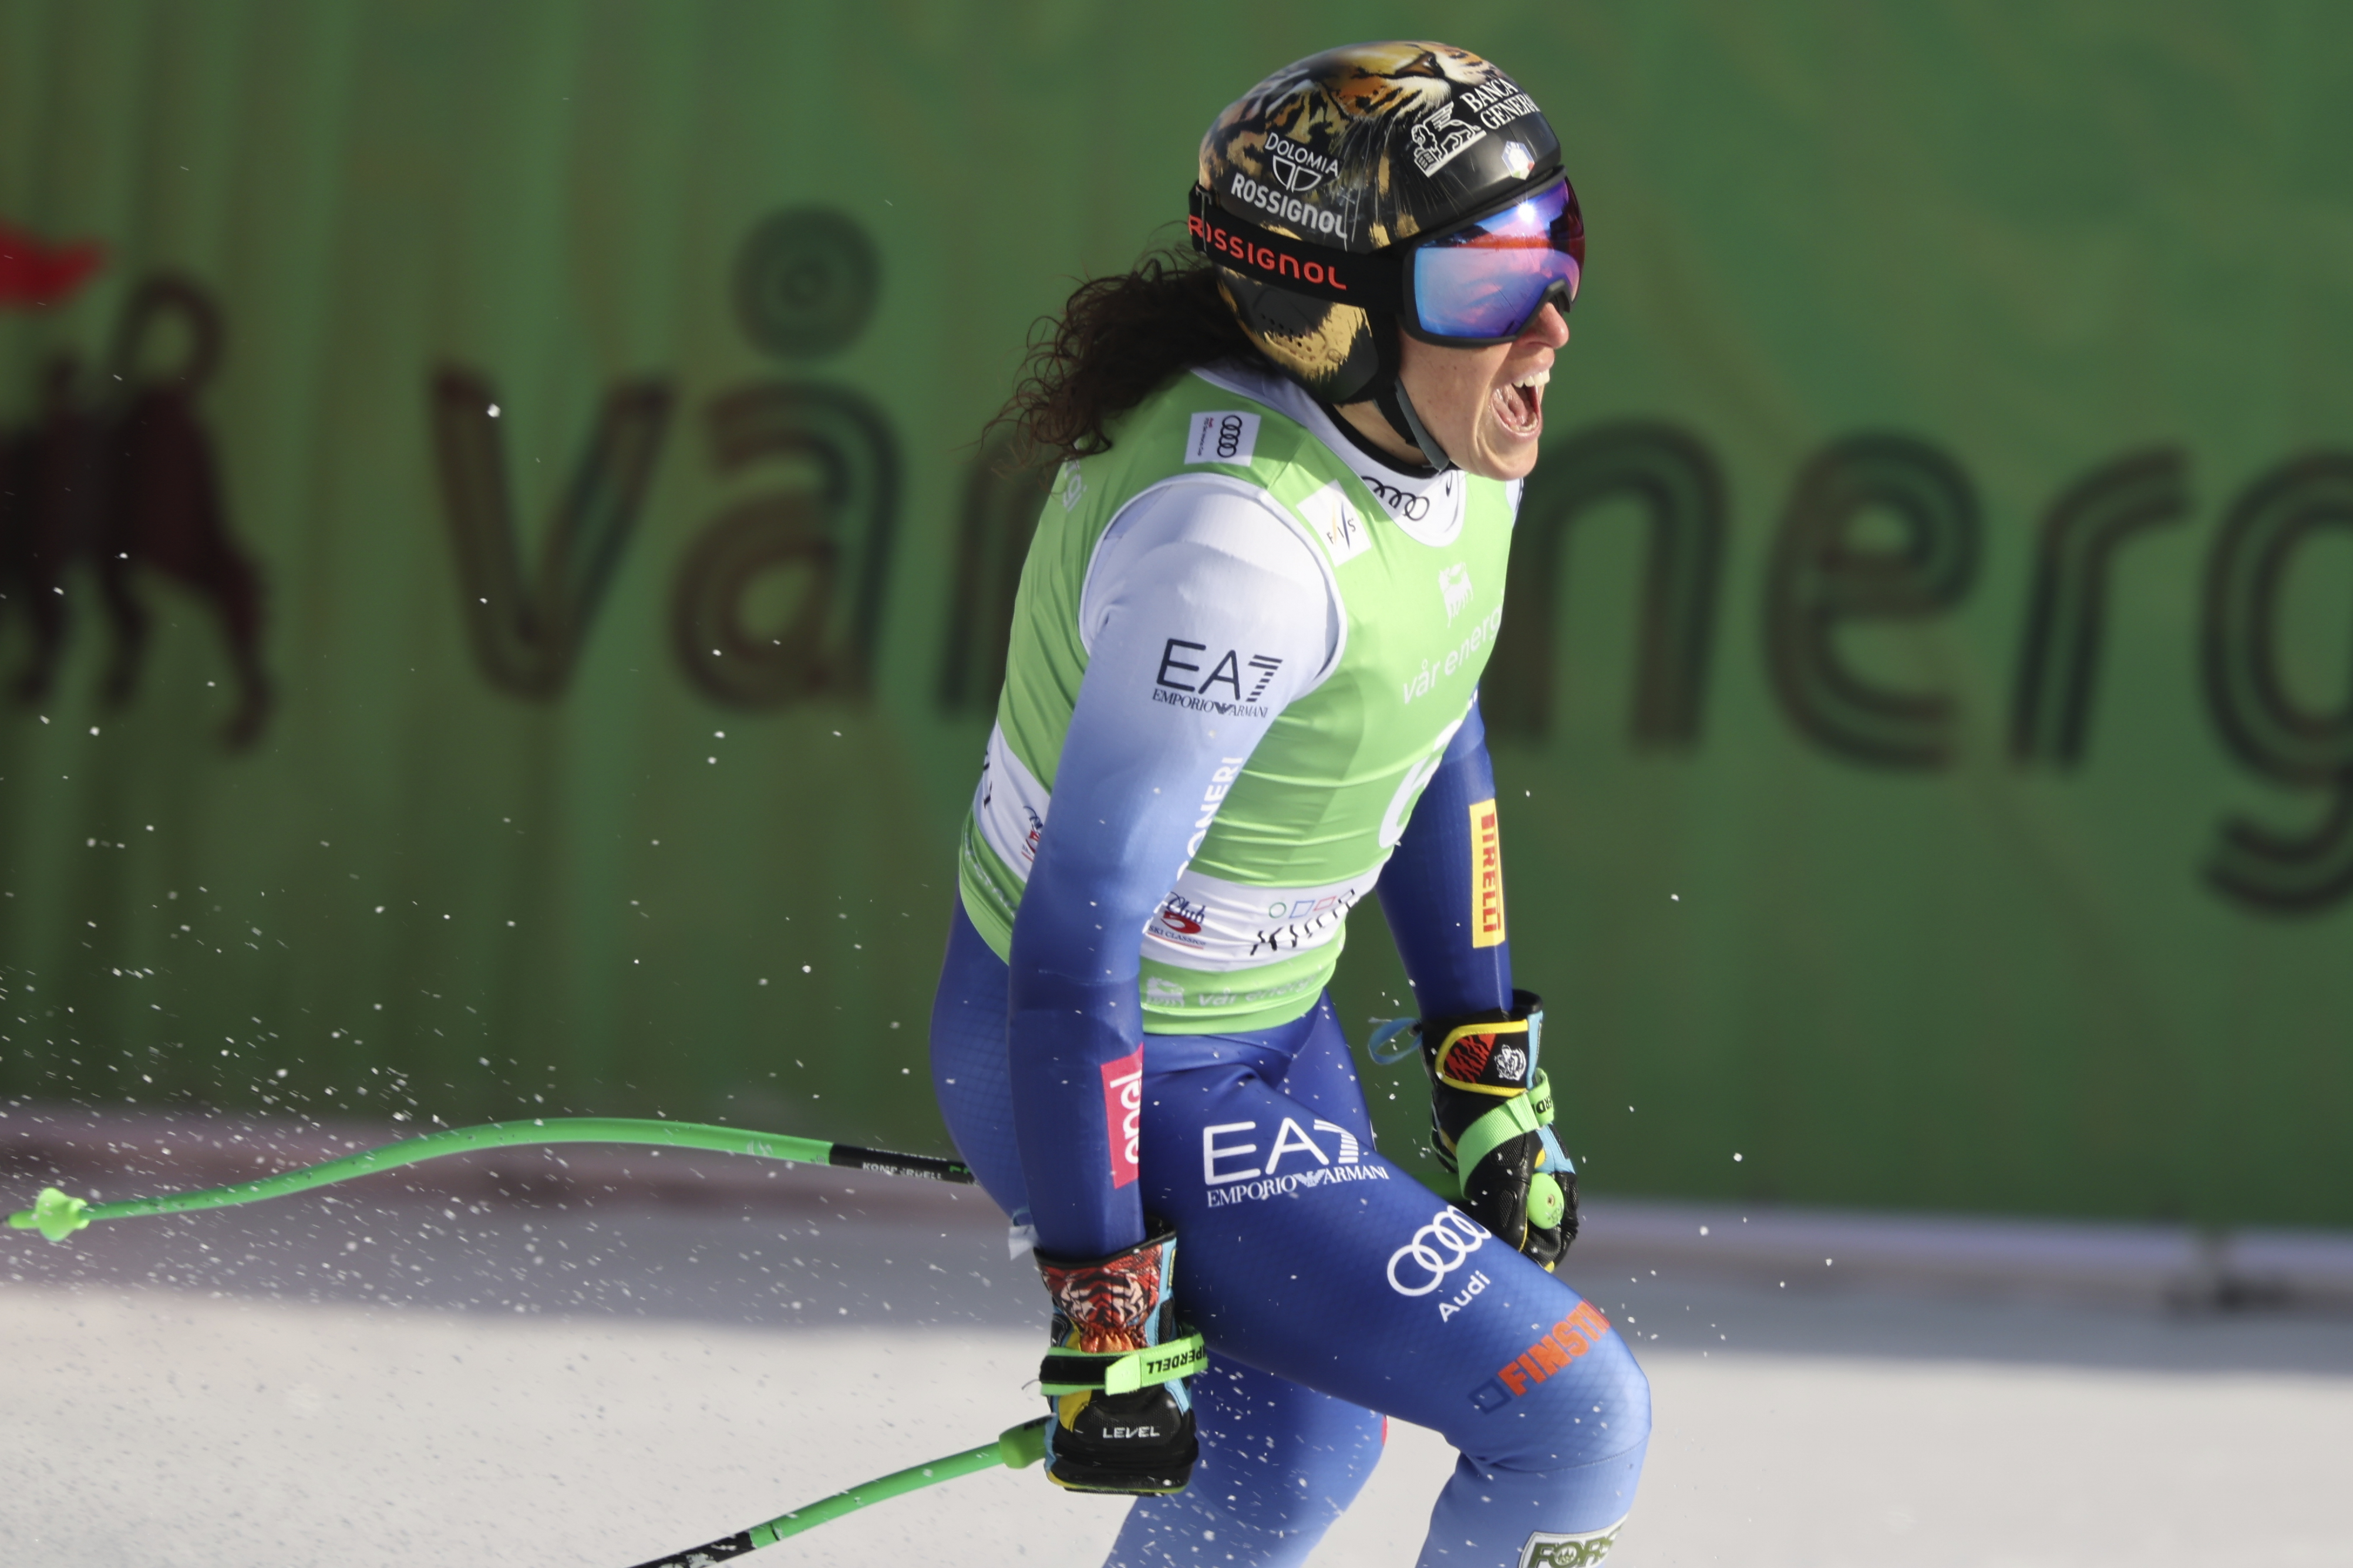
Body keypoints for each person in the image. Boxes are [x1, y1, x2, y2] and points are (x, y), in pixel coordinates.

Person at [928, 41, 1651, 1568]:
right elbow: (1076, 952)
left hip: (1251, 1030)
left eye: (1554, 248)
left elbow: (1425, 725)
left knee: (1287, 1466)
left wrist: (1483, 1062)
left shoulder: (1436, 426)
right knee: (1571, 1413)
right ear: (1321, 321)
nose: (1550, 320)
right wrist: (1102, 1296)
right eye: (1482, 284)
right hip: (1103, 1051)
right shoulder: (1240, 552)